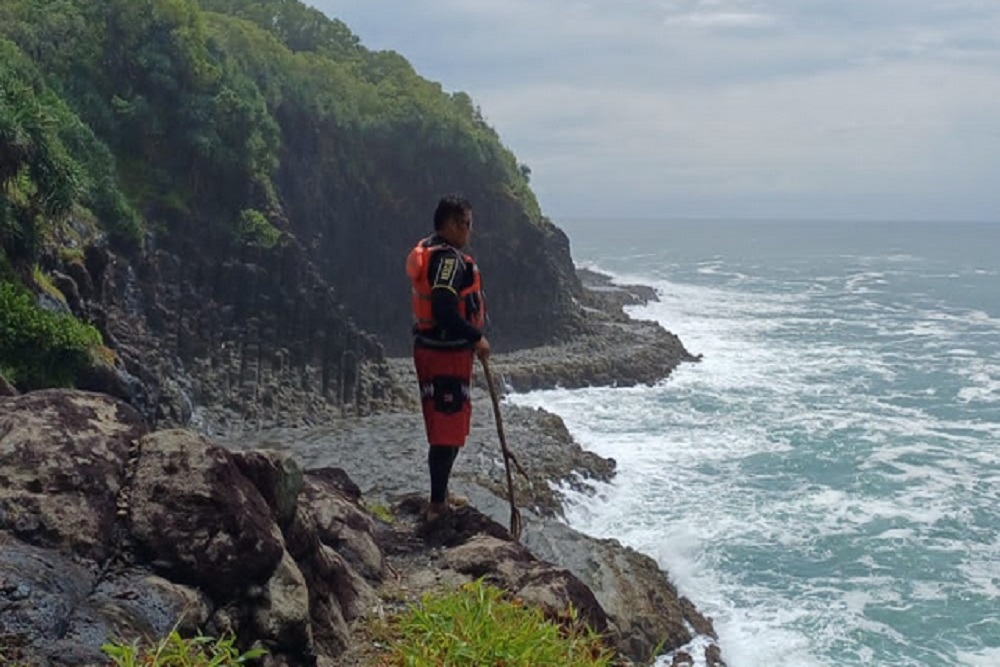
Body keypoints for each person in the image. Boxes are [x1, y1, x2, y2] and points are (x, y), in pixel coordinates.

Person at [406, 195, 490, 521]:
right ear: (452, 224)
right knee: (445, 428)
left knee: (449, 426)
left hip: (438, 351)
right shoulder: (449, 261)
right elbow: (443, 309)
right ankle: (437, 504)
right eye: (467, 224)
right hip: (443, 355)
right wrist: (476, 337)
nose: (470, 231)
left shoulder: (432, 250)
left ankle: (440, 492)